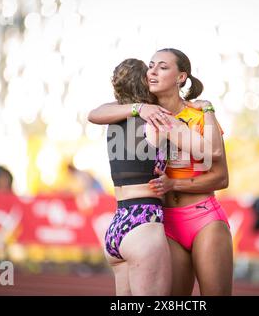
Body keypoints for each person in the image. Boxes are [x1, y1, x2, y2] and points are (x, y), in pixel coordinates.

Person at [89, 48, 232, 296]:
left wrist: (208, 109)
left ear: (181, 77)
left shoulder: (196, 116)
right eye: (151, 66)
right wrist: (138, 108)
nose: (153, 71)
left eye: (162, 67)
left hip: (200, 217)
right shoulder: (144, 110)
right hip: (160, 221)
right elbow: (94, 113)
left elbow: (220, 175)